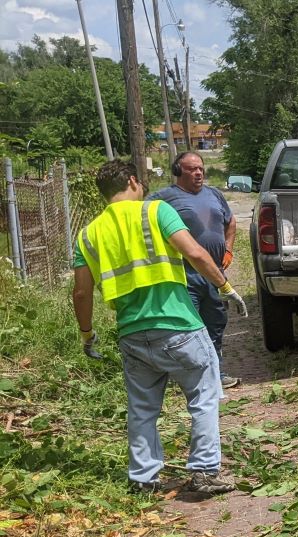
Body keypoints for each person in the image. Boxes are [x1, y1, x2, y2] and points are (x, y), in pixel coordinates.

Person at [72, 160, 248, 495]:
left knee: (142, 409)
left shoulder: (88, 234)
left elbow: (81, 292)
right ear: (134, 181)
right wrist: (225, 287)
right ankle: (205, 473)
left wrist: (87, 334)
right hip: (179, 326)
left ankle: (143, 479)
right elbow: (195, 252)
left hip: (132, 334)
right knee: (204, 397)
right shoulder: (156, 211)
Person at [149, 151, 241, 389]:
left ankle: (216, 373)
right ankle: (191, 378)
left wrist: (228, 249)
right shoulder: (163, 198)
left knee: (216, 322)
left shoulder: (214, 195)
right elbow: (141, 220)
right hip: (184, 275)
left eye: (200, 168)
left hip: (215, 274)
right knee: (190, 327)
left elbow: (230, 222)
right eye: (191, 169)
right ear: (178, 171)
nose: (198, 173)